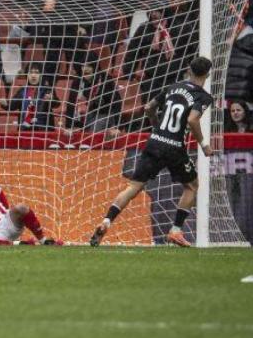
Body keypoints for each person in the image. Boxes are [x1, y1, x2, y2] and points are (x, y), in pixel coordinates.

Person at [90, 56, 215, 248]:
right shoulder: (204, 97)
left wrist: (156, 125)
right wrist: (204, 144)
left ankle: (106, 221)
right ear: (207, 74)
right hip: (174, 146)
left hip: (154, 142)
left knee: (133, 186)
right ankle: (175, 230)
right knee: (191, 186)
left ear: (189, 70)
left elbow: (148, 107)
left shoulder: (173, 87)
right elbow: (192, 120)